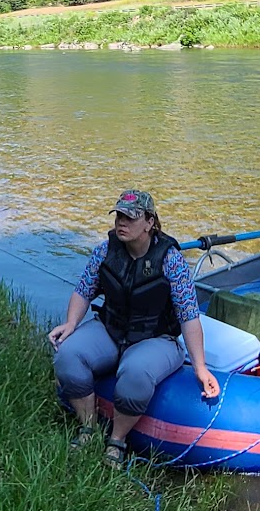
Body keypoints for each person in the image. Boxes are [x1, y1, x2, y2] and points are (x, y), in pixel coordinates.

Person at [49, 188, 219, 464]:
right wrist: (71, 323)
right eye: (119, 216)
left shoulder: (171, 260)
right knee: (68, 355)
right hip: (111, 329)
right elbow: (83, 290)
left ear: (150, 222)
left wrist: (200, 367)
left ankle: (117, 440)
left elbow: (189, 316)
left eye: (130, 217)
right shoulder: (105, 251)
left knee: (135, 373)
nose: (121, 223)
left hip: (156, 338)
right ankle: (88, 428)